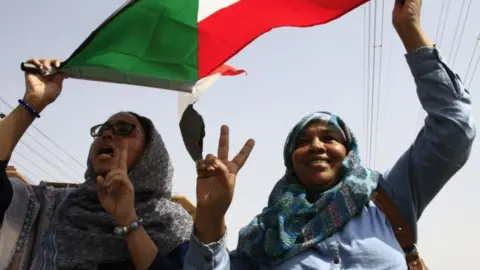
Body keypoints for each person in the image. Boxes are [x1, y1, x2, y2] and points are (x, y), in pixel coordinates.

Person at [184, 0, 476, 269]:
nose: (315, 146)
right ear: (290, 160)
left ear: (349, 152)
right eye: (301, 142)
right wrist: (211, 217)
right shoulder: (266, 234)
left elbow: (454, 127)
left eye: (329, 138)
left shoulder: (389, 199)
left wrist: (409, 28)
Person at [0, 58, 193, 269]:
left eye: (123, 129)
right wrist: (32, 103)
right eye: (102, 130)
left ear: (151, 157)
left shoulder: (171, 224)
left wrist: (128, 221)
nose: (107, 134)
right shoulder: (51, 207)